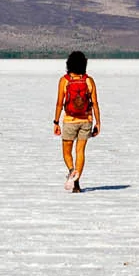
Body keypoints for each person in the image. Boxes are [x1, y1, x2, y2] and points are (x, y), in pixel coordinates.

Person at [54, 51, 101, 192]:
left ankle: (71, 171)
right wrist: (98, 123)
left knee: (66, 152)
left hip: (70, 120)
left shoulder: (65, 80)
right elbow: (95, 103)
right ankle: (76, 182)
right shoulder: (89, 80)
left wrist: (56, 122)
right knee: (80, 151)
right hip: (86, 120)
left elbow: (59, 103)